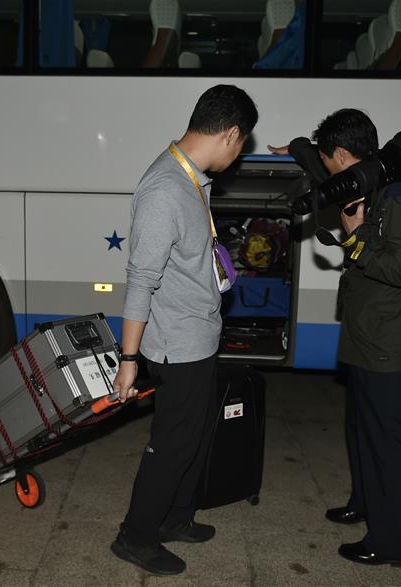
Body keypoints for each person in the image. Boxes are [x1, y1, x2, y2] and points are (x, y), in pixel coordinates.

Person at [269, 109, 401, 567]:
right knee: (361, 430)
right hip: (366, 336)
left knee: (387, 444)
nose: (331, 172)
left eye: (329, 158)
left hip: (389, 344)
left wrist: (355, 236)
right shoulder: (363, 177)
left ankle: (391, 543)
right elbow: (322, 169)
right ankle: (364, 503)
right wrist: (299, 147)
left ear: (344, 153)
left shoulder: (397, 196)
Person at [110, 84, 258, 576]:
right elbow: (140, 280)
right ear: (231, 133)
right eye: (243, 145)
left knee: (194, 438)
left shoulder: (193, 179)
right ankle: (135, 536)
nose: (240, 156)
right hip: (177, 343)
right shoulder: (164, 190)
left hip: (200, 334)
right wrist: (128, 360)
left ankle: (176, 518)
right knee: (171, 444)